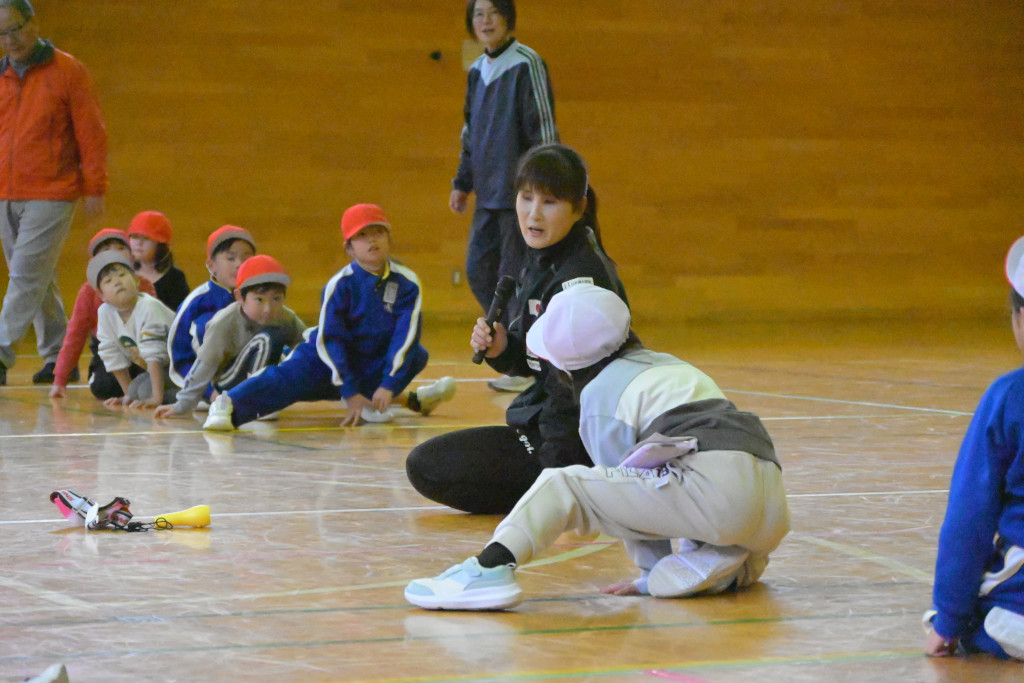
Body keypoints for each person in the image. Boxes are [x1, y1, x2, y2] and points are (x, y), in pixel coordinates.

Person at [405, 284, 790, 610]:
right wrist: (651, 579)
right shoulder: (665, 364)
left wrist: (647, 570)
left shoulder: (601, 400)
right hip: (770, 500)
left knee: (563, 484)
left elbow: (627, 484)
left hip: (717, 494)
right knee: (694, 527)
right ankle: (733, 562)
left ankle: (489, 569)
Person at [406, 143, 629, 514]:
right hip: (541, 424)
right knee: (428, 463)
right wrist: (503, 348)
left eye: (550, 202)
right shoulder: (545, 258)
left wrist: (556, 481)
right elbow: (536, 357)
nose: (533, 213)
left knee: (430, 467)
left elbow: (572, 394)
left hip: (574, 442)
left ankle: (581, 487)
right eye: (526, 198)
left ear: (579, 208)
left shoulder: (580, 280)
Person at [202, 204, 455, 430]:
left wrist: (389, 384)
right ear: (349, 247)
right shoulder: (340, 285)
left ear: (389, 238)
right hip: (325, 359)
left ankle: (374, 403)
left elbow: (405, 336)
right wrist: (349, 391)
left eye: (378, 232)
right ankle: (227, 404)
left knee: (416, 354)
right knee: (285, 380)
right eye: (362, 235)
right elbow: (332, 340)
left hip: (368, 360)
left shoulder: (407, 282)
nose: (371, 240)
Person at [922, 236, 1024, 661]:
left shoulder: (1009, 398)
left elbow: (969, 518)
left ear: (1021, 318)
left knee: (985, 622)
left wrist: (949, 618)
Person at [452, 0, 558, 393]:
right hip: (487, 196)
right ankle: (513, 345)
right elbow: (469, 132)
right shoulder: (477, 71)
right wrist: (462, 182)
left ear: (508, 18)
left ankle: (521, 362)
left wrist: (544, 187)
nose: (486, 20)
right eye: (479, 14)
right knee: (479, 270)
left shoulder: (526, 63)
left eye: (494, 12)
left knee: (515, 279)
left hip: (519, 197)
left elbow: (543, 129)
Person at [0, 0, 107, 386]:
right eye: (1, 34)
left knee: (25, 275)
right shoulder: (1, 75)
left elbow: (91, 131)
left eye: (14, 29)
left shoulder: (67, 70)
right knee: (35, 275)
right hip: (6, 191)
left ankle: (0, 353)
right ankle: (59, 355)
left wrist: (95, 185)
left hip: (53, 191)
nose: (9, 40)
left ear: (32, 23)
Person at [154, 255, 307, 419]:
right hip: (227, 384)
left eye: (276, 299)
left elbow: (311, 346)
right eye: (259, 300)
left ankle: (263, 399)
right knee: (267, 339)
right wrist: (182, 405)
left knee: (289, 351)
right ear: (240, 297)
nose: (268, 308)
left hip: (261, 377)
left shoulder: (285, 318)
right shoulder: (223, 322)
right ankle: (253, 403)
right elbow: (204, 366)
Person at [47, 228, 158, 399]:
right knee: (104, 386)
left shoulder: (144, 285)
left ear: (131, 257)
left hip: (141, 344)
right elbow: (75, 336)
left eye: (120, 248)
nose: (114, 253)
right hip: (107, 345)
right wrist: (60, 380)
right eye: (106, 250)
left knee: (151, 380)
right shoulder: (88, 293)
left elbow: (153, 329)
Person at [167, 225, 255, 398]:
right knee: (208, 324)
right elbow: (180, 356)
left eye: (246, 259)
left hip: (248, 380)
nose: (239, 264)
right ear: (211, 265)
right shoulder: (197, 302)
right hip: (202, 386)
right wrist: (208, 392)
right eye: (230, 258)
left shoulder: (260, 297)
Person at [88, 251, 176, 409]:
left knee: (145, 391)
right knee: (135, 389)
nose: (117, 282)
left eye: (122, 275)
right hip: (165, 370)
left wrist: (156, 398)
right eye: (108, 281)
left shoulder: (148, 306)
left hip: (186, 366)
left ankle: (197, 396)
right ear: (101, 295)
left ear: (136, 281)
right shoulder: (105, 313)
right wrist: (128, 395)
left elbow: (154, 354)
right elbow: (111, 353)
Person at [126, 210, 189, 311]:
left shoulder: (175, 278)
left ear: (160, 244)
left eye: (146, 238)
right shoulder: (124, 273)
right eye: (135, 237)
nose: (139, 243)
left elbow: (181, 315)